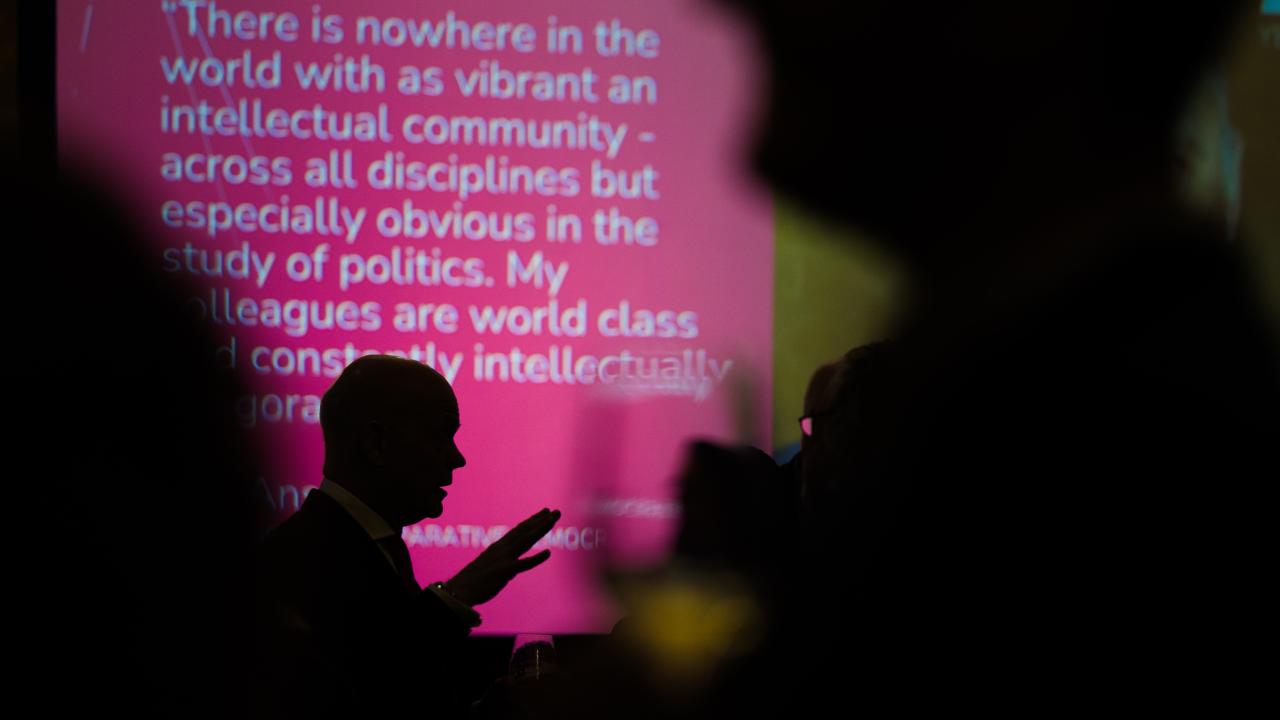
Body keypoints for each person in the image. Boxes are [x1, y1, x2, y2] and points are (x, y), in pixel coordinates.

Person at [256, 355, 560, 718]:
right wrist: (455, 596)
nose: (457, 458)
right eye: (440, 436)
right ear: (376, 443)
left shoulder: (374, 545)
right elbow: (367, 691)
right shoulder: (294, 561)